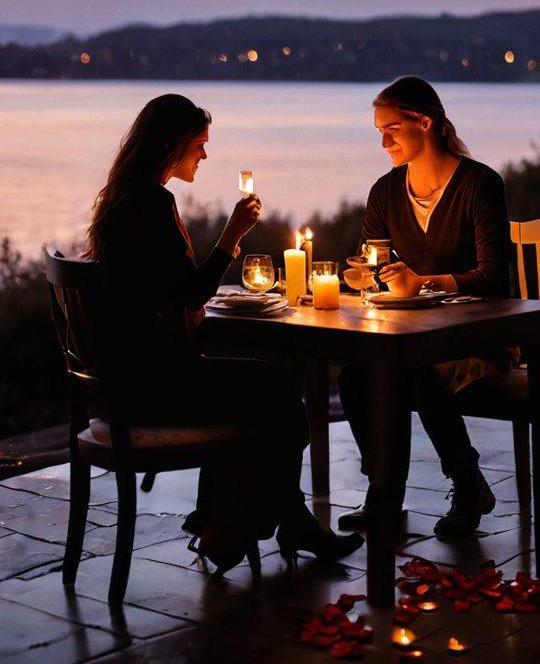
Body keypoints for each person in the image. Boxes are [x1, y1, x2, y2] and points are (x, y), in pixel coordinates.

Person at [87, 93, 361, 571]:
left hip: (123, 384)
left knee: (265, 390)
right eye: (199, 145)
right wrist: (232, 236)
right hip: (152, 390)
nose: (205, 155)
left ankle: (228, 520)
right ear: (172, 144)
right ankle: (244, 524)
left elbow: (165, 293)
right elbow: (191, 293)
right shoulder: (151, 203)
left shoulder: (123, 200)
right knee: (277, 394)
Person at [337, 76, 514, 539]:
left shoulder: (480, 184)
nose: (384, 142)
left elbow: (494, 278)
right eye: (379, 131)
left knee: (420, 375)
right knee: (355, 376)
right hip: (415, 338)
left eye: (392, 129)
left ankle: (467, 483)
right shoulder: (385, 192)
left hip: (480, 336)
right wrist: (366, 276)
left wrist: (423, 283)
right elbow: (373, 263)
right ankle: (383, 495)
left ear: (425, 122)